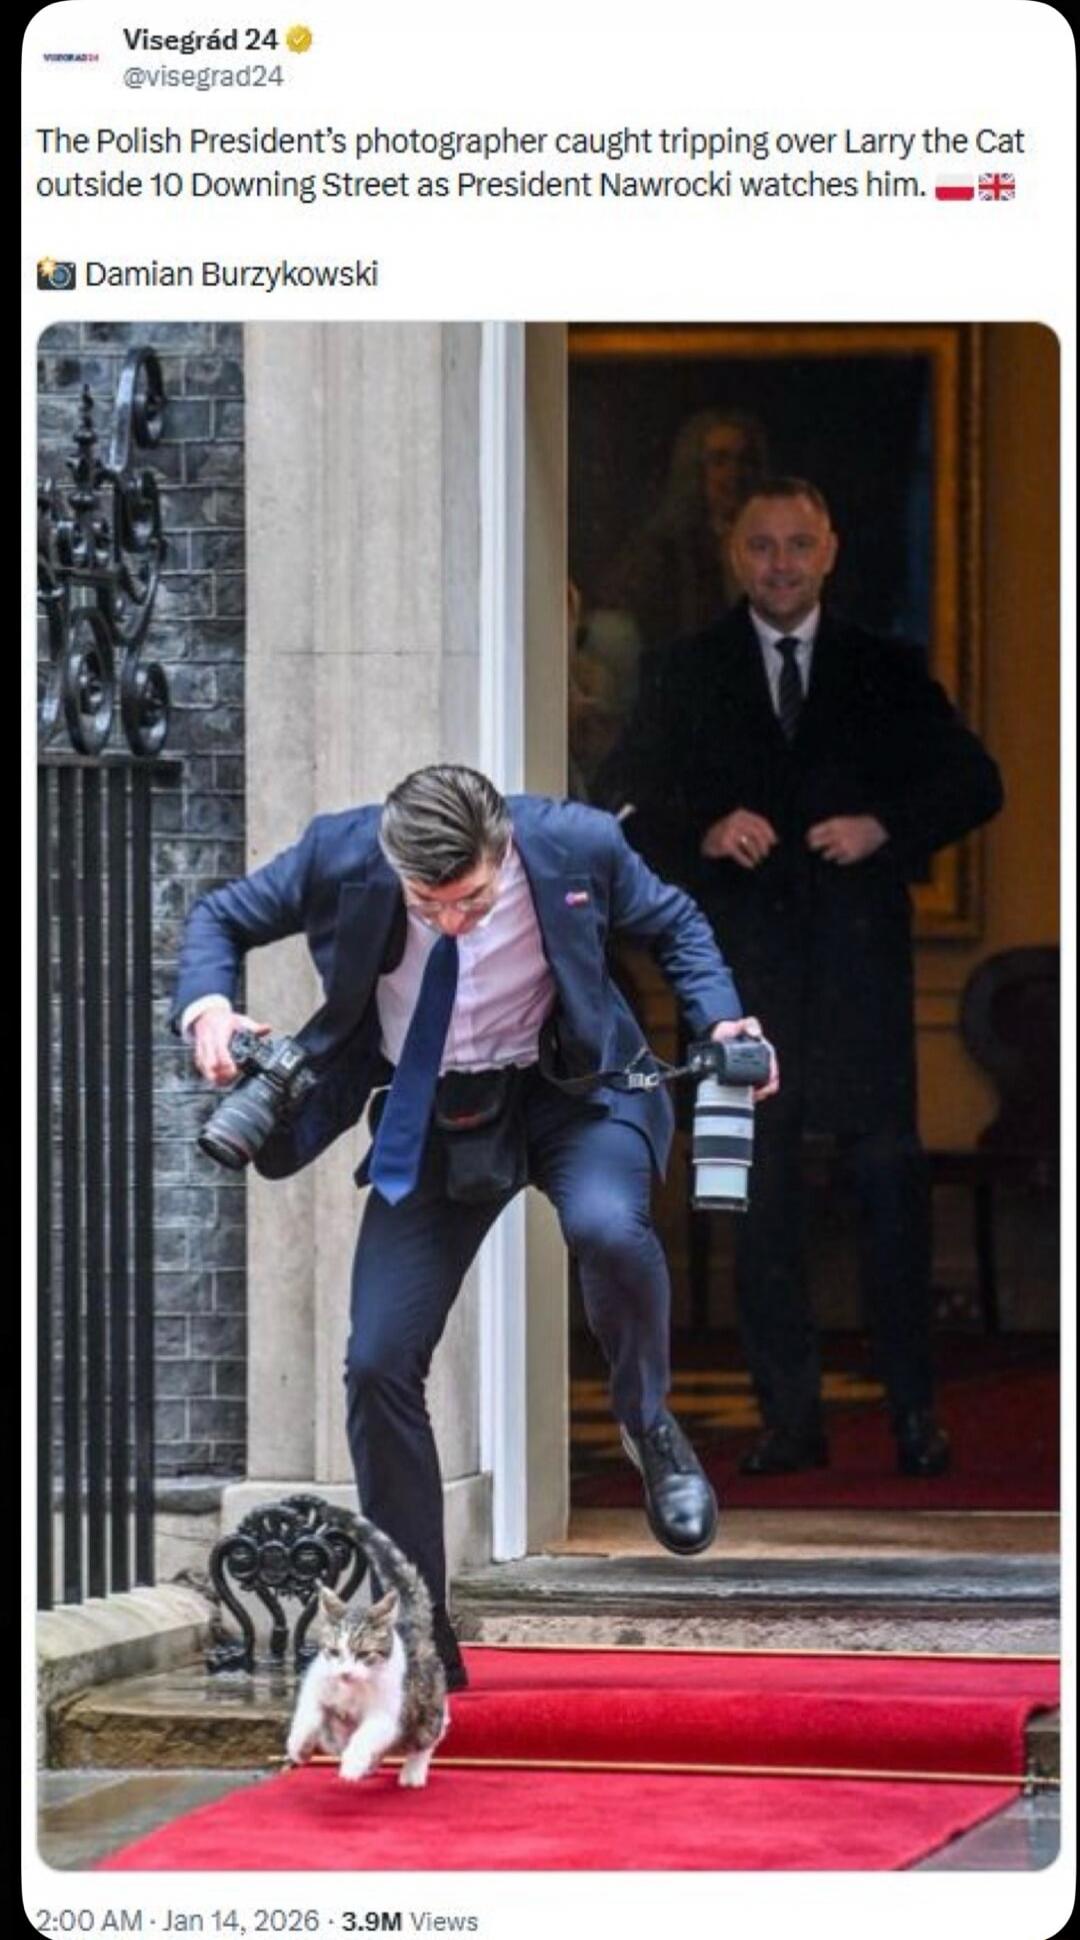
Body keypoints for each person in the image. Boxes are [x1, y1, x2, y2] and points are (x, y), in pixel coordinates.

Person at [173, 765, 778, 1688]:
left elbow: (677, 923)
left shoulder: (578, 844)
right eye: (431, 904)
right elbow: (220, 916)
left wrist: (723, 1017)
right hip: (439, 1109)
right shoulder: (340, 852)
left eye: (475, 899)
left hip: (574, 1093)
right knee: (378, 1358)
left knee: (610, 1230)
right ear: (393, 866)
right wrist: (208, 1007)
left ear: (505, 852)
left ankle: (647, 1425)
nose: (454, 921)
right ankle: (416, 1629)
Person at [596, 478, 1004, 1479]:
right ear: (736, 557)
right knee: (760, 1197)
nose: (780, 562)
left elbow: (975, 781)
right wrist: (702, 829)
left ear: (829, 552)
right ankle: (789, 1419)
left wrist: (884, 828)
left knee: (886, 1187)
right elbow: (623, 801)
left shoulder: (886, 667)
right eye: (762, 546)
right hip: (740, 981)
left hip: (860, 970)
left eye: (798, 545)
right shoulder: (686, 669)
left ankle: (916, 1413)